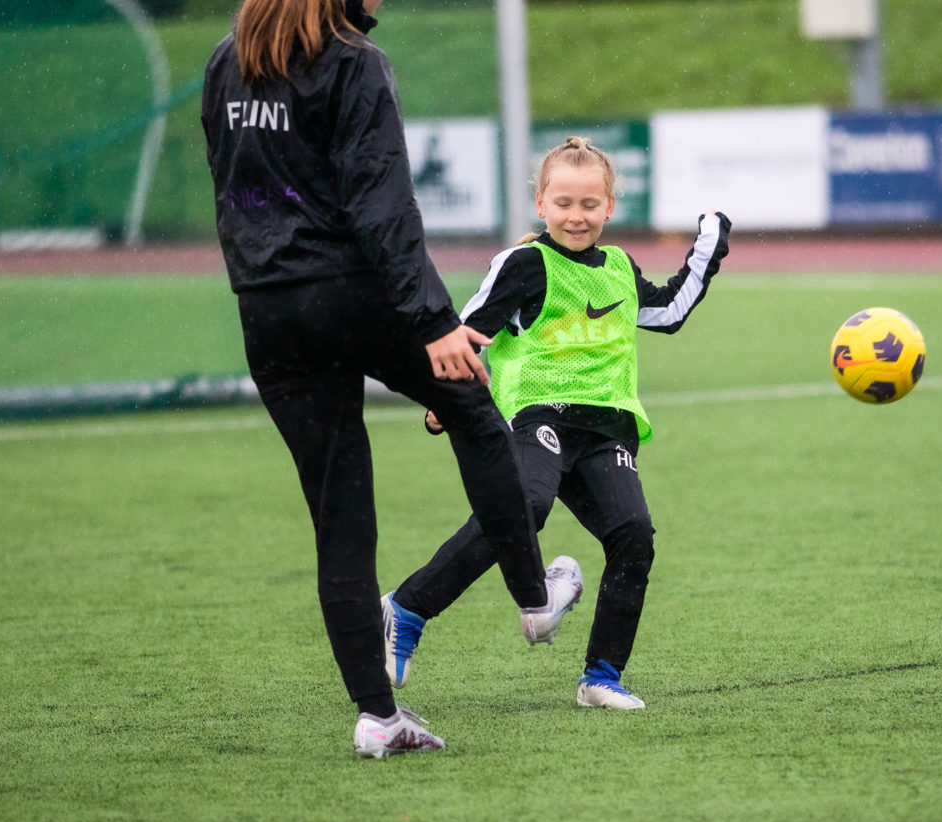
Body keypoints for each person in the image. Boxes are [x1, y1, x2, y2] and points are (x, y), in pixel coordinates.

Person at [201, 0, 580, 758]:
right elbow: (383, 208)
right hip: (354, 293)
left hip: (267, 311)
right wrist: (435, 320)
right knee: (472, 409)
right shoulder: (354, 63)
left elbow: (231, 187)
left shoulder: (225, 61)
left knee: (340, 518)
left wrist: (266, 282)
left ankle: (378, 717)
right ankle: (535, 601)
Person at [380, 137, 730, 710]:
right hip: (538, 414)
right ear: (541, 203)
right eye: (563, 203)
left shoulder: (618, 266)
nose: (576, 216)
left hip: (606, 427)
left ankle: (601, 677)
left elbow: (665, 312)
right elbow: (467, 329)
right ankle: (408, 608)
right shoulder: (526, 263)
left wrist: (706, 248)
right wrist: (443, 398)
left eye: (590, 205)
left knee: (633, 537)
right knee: (526, 505)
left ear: (610, 207)